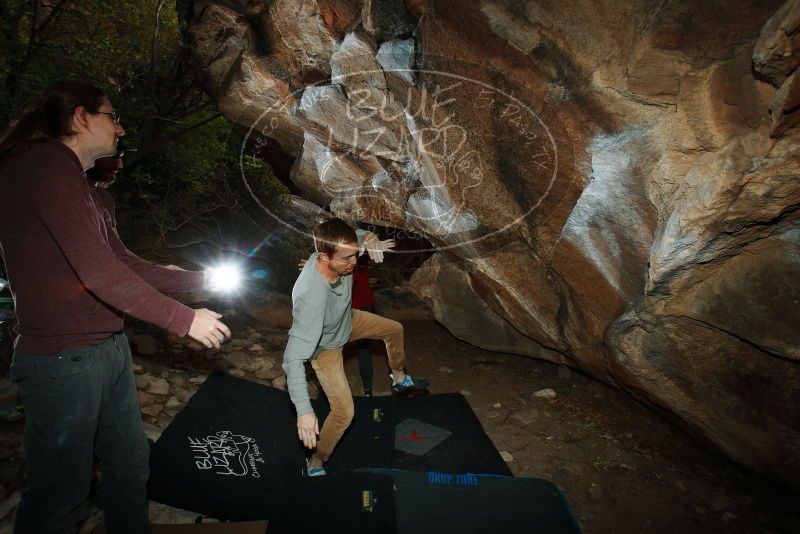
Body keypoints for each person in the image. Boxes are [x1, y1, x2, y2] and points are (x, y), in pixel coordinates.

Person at [0, 80, 231, 533]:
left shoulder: (86, 187)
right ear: (82, 118)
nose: (120, 128)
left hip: (106, 348)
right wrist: (183, 320)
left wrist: (200, 281)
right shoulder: (44, 167)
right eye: (112, 116)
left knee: (130, 466)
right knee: (60, 495)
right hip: (64, 360)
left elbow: (120, 262)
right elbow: (98, 274)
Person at [283, 217, 429, 477]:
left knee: (394, 329)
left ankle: (398, 376)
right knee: (344, 412)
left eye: (356, 256)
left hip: (347, 319)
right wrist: (304, 411)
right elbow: (292, 359)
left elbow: (358, 236)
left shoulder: (340, 250)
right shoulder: (310, 297)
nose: (354, 264)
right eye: (346, 259)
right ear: (323, 256)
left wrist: (368, 239)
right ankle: (317, 460)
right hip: (324, 346)